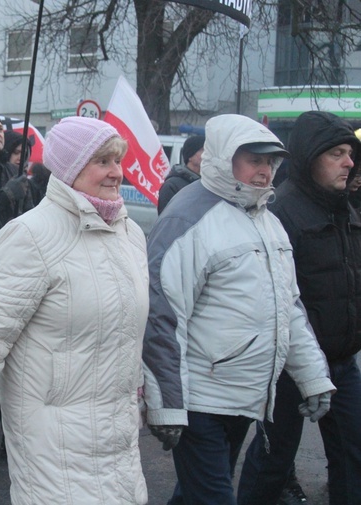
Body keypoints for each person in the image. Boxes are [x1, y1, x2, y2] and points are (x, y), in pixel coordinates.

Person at [0, 116, 149, 503]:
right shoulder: (32, 235)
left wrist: (138, 390)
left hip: (117, 431)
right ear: (69, 167)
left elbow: (128, 329)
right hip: (53, 434)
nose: (116, 172)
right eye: (103, 161)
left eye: (118, 161)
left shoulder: (130, 233)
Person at [143, 114, 335, 505]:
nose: (264, 172)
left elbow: (288, 306)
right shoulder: (188, 217)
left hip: (244, 396)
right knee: (213, 497)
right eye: (254, 161)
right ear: (222, 158)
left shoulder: (267, 220)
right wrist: (166, 406)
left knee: (196, 495)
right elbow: (162, 316)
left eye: (269, 163)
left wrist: (313, 377)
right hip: (199, 401)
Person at [238, 111, 361, 505]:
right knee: (274, 462)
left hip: (342, 362)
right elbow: (270, 297)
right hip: (288, 369)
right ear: (311, 158)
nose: (350, 162)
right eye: (338, 153)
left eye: (350, 154)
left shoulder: (344, 207)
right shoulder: (282, 211)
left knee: (353, 456)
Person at [157, 134, 205, 214]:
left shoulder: (207, 183)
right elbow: (166, 218)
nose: (205, 154)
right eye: (201, 150)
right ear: (190, 156)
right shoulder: (172, 185)